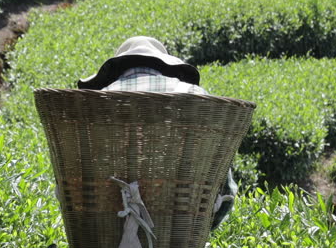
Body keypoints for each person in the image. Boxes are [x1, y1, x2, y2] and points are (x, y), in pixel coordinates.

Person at [78, 36, 237, 231]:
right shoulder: (195, 96)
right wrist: (203, 231)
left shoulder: (93, 103)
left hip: (106, 228)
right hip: (181, 230)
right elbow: (225, 185)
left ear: (117, 70)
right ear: (165, 66)